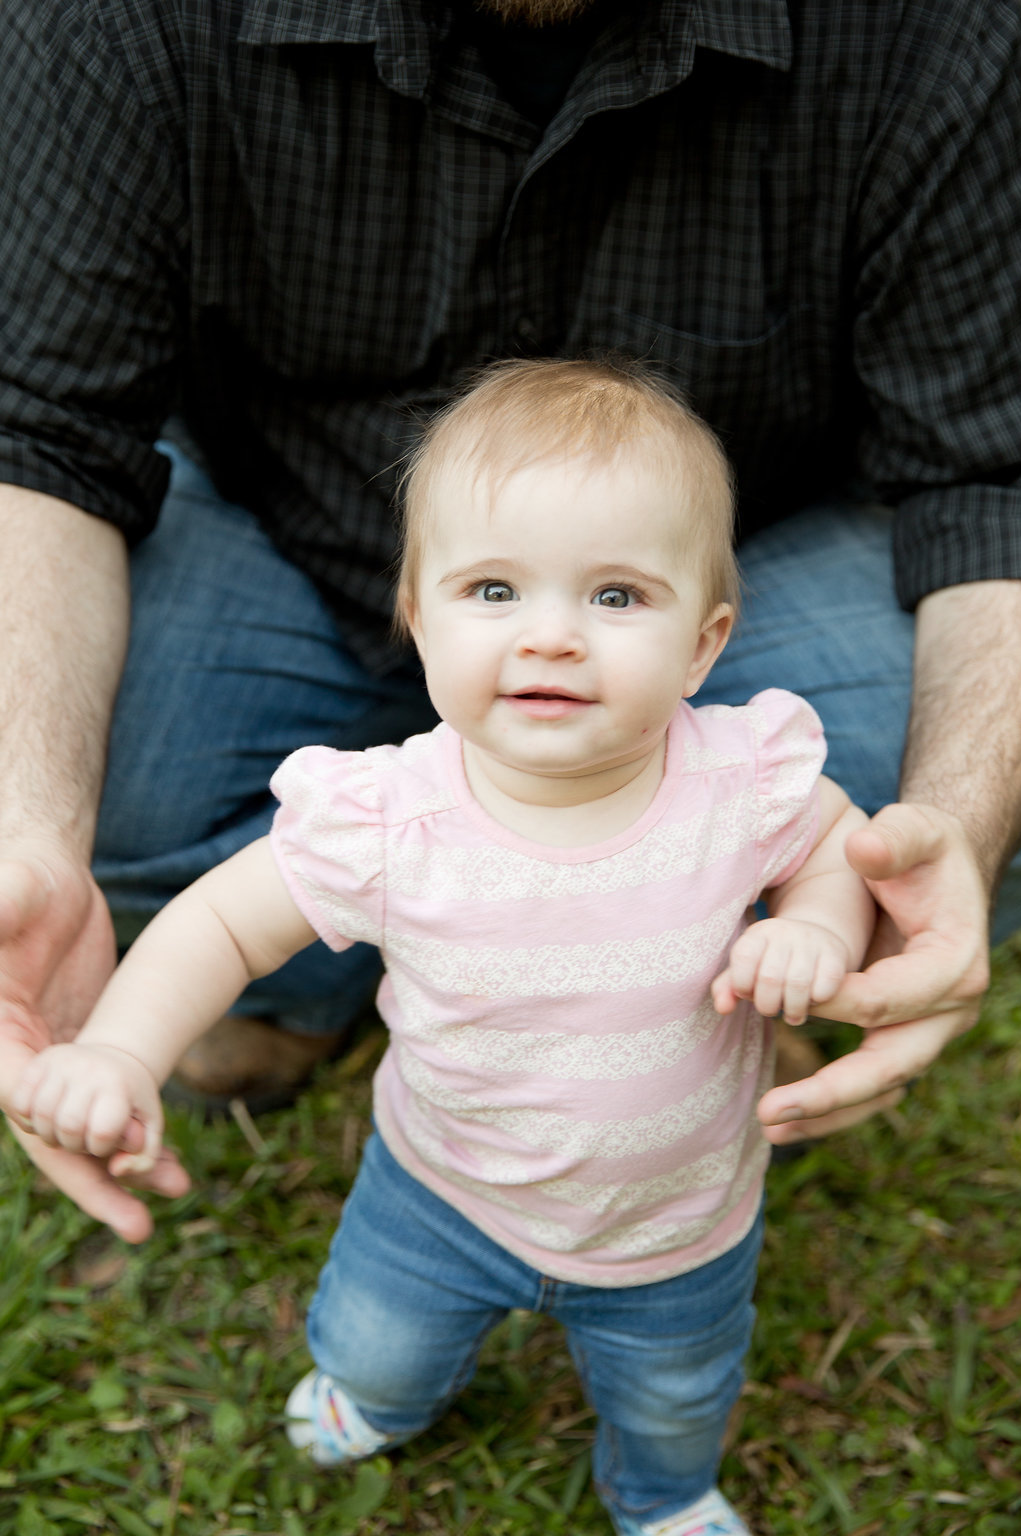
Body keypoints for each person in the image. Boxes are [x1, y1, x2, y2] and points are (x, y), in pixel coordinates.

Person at [1, 0, 1021, 1244]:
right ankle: (349, 962)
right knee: (104, 764)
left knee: (901, 808)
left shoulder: (940, 28)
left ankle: (687, 971)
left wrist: (944, 841)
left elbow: (992, 478)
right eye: (493, 606)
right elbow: (37, 435)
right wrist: (30, 830)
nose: (538, 640)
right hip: (272, 515)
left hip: (741, 566)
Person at [11, 360, 876, 1536]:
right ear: (417, 614)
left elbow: (834, 840)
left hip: (677, 1221)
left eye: (617, 596)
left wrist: (818, 923)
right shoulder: (387, 818)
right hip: (438, 1195)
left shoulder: (743, 779)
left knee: (675, 1395)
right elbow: (219, 922)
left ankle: (664, 1492)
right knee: (377, 1341)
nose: (555, 638)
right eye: (494, 590)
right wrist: (117, 1050)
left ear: (703, 643)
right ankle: (375, 1399)